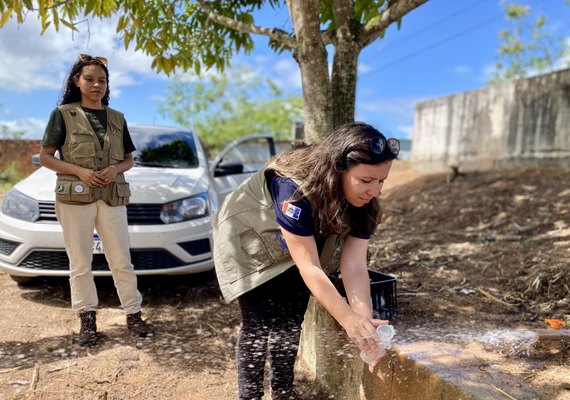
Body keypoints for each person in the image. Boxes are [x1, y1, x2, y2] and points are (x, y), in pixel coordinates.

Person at [213, 122, 400, 400]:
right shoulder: (292, 187)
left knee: (290, 319)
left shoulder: (366, 203)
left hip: (300, 243)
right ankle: (249, 395)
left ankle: (283, 391)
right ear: (338, 169)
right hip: (250, 237)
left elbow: (355, 266)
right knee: (259, 322)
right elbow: (309, 266)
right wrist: (347, 319)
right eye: (365, 180)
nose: (374, 190)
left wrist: (364, 327)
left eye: (381, 181)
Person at [39, 54, 151, 346]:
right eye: (89, 79)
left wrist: (116, 168)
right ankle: (87, 319)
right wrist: (80, 172)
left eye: (102, 80)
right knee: (80, 262)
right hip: (76, 197)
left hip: (112, 197)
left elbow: (128, 160)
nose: (96, 84)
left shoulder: (117, 118)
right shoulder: (63, 114)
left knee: (121, 260)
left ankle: (133, 313)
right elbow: (45, 157)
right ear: (77, 81)